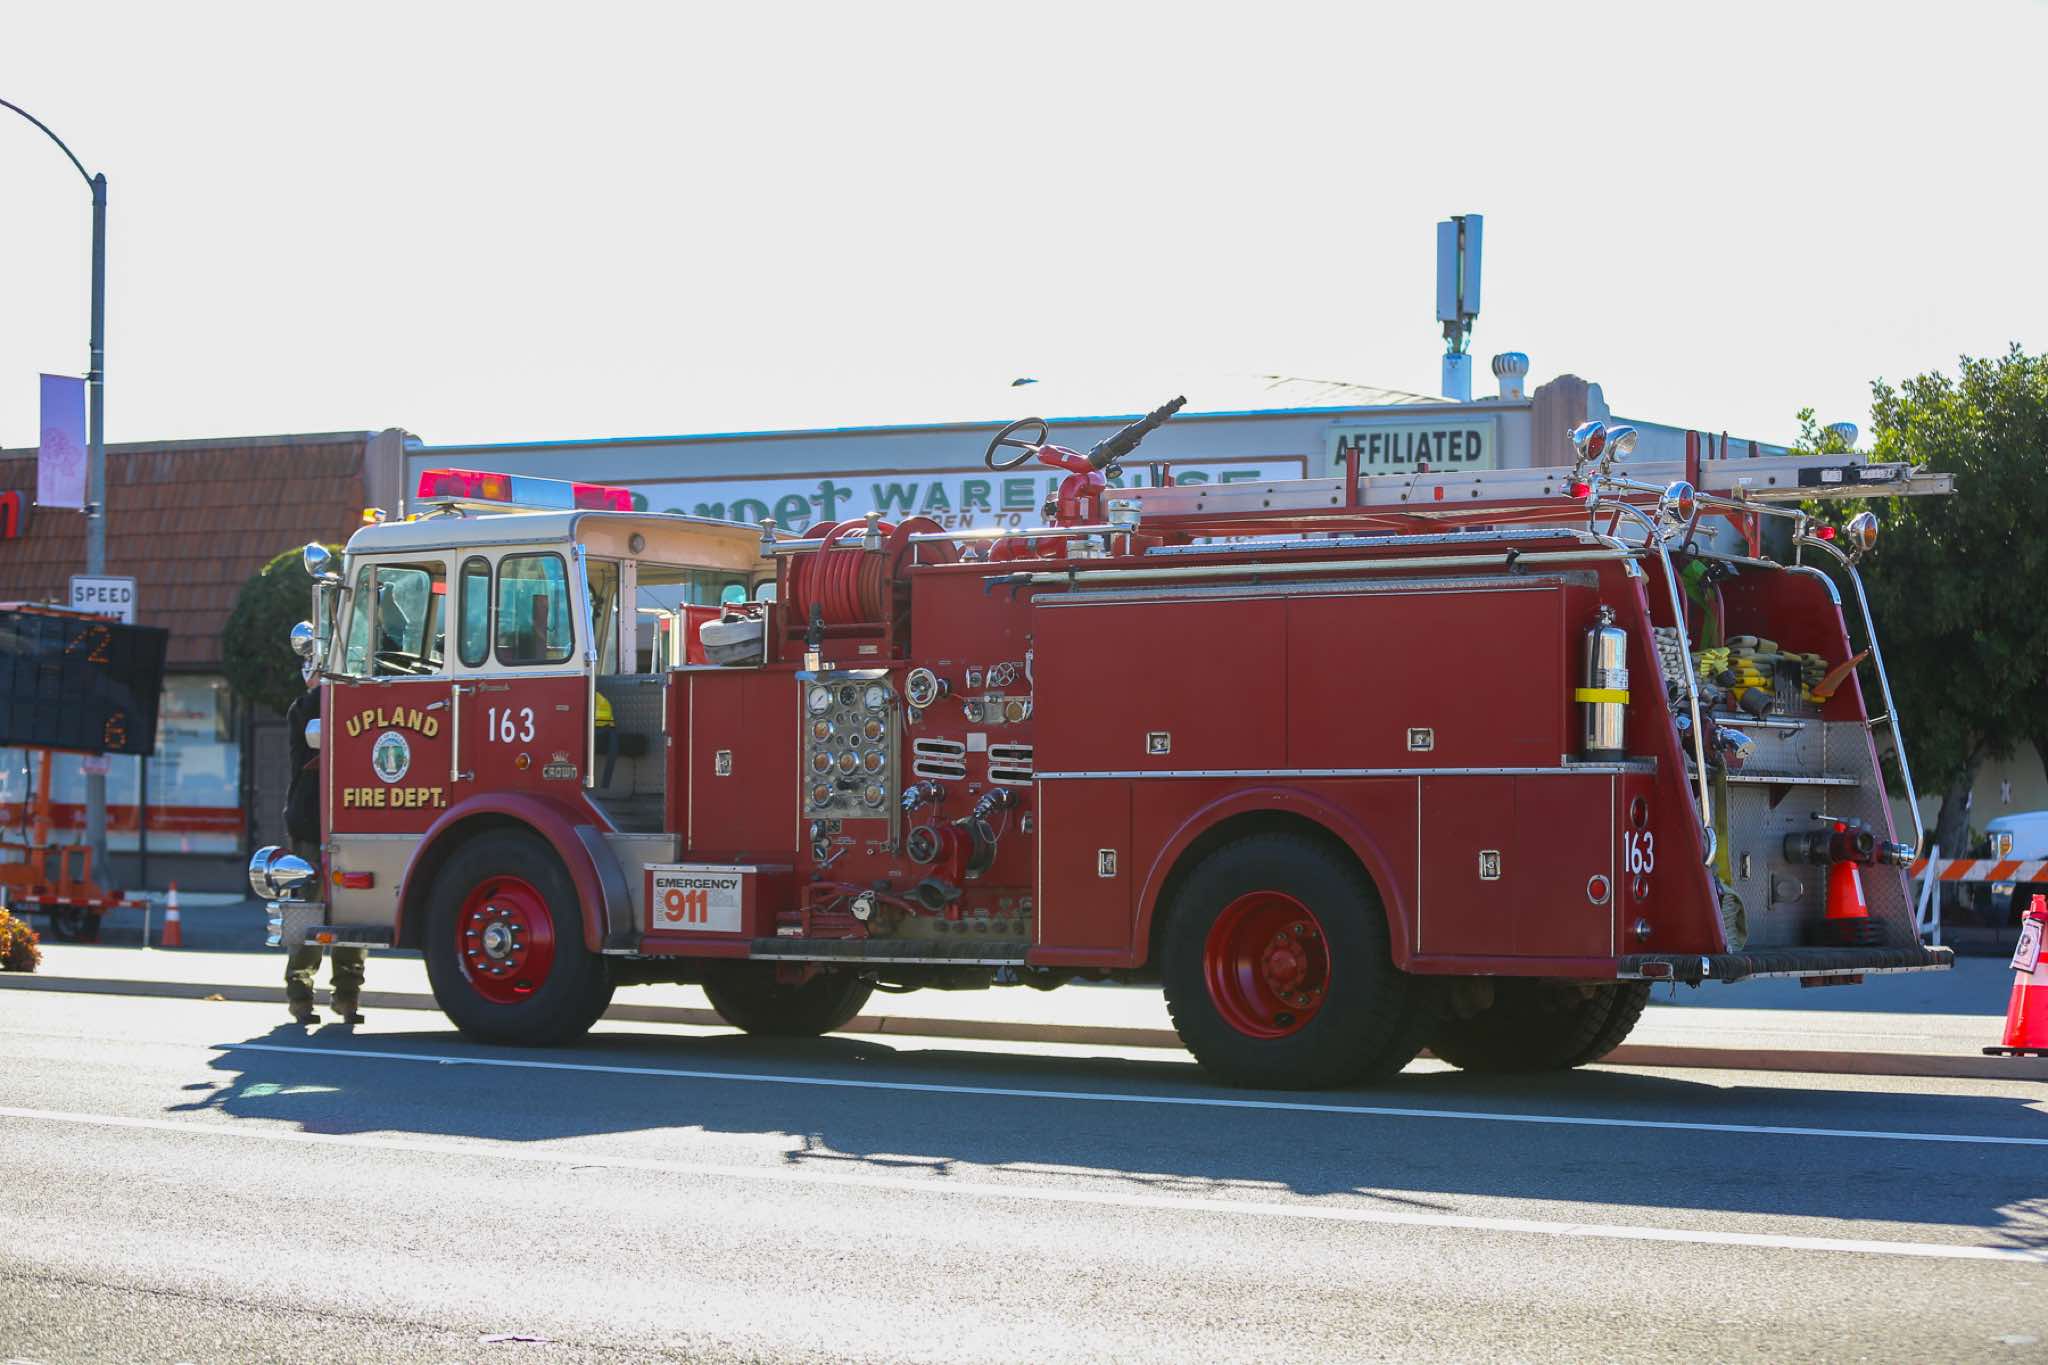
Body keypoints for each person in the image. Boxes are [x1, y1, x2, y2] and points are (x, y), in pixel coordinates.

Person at [282, 661, 365, 1023]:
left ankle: (347, 997)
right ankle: (301, 995)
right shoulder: (305, 709)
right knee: (309, 910)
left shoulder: (345, 701)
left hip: (348, 818)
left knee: (352, 914)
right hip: (313, 822)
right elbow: (321, 704)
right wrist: (332, 678)